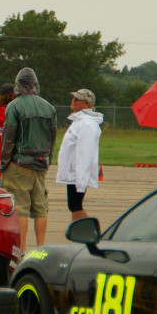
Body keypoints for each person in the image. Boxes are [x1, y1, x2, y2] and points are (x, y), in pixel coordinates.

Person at [0, 68, 56, 250]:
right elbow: (52, 140)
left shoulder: (14, 106)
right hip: (41, 163)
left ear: (18, 84)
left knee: (20, 207)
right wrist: (47, 161)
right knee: (40, 207)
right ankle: (40, 249)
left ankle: (21, 250)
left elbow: (8, 139)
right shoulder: (50, 108)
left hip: (19, 164)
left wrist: (4, 163)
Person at [56, 89, 103, 221]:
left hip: (77, 174)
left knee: (75, 206)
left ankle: (87, 235)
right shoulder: (78, 121)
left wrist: (81, 181)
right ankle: (83, 235)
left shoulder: (87, 124)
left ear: (87, 104)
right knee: (74, 206)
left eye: (78, 99)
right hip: (73, 173)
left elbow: (85, 153)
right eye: (74, 98)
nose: (74, 100)